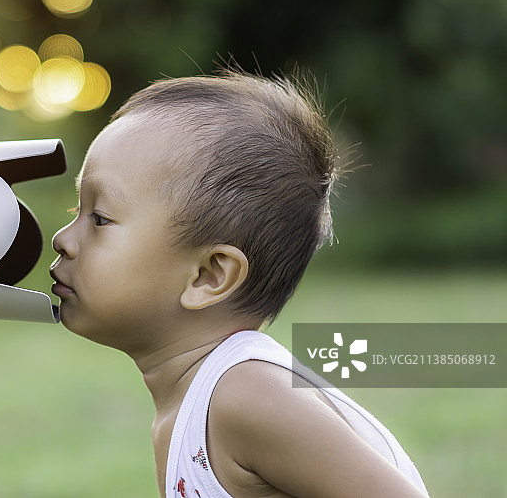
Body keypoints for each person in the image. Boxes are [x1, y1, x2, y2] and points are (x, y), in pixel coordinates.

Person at [49, 70, 429, 498]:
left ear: (208, 276)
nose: (62, 239)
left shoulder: (244, 395)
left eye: (99, 218)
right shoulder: (202, 397)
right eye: (77, 209)